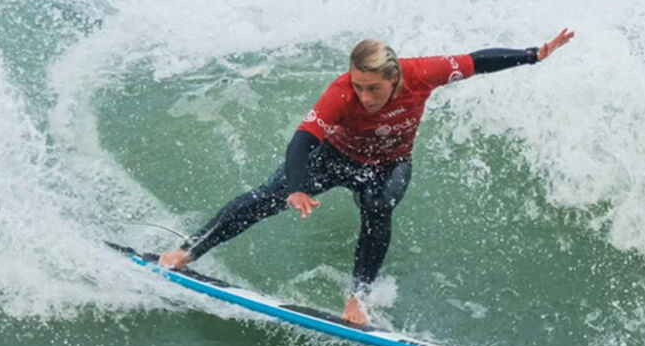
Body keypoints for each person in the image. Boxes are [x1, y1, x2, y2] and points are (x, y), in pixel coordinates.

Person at [159, 28, 576, 325]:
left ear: (394, 78)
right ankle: (187, 252)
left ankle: (357, 300)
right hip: (335, 157)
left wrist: (534, 54)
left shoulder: (423, 73)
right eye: (358, 86)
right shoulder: (341, 93)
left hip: (389, 164)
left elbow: (477, 62)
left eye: (372, 88)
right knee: (269, 195)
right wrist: (298, 188)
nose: (363, 96)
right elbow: (302, 142)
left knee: (379, 206)